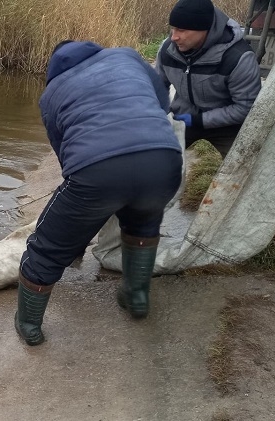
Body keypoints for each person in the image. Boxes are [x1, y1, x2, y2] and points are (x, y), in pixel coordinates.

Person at [15, 40, 183, 346]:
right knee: (142, 223)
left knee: (46, 246)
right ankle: (137, 297)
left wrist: (86, 194)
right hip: (163, 160)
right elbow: (161, 105)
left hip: (98, 171)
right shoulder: (128, 58)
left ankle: (28, 323)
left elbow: (64, 151)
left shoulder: (52, 92)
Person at [156, 0, 262, 158]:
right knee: (156, 156)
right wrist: (159, 115)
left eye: (181, 30)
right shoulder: (168, 51)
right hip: (183, 117)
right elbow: (157, 88)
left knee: (245, 165)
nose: (174, 37)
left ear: (204, 29)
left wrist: (199, 120)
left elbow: (245, 108)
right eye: (172, 29)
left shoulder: (238, 57)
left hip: (229, 123)